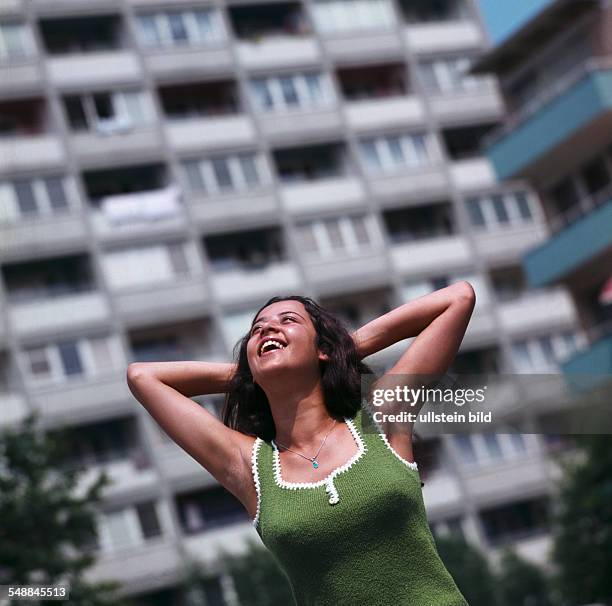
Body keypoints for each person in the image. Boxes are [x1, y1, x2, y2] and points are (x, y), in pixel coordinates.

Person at [127, 281, 476, 605]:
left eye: (287, 320)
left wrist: (342, 347)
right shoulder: (251, 467)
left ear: (321, 349)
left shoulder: (380, 417)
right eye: (257, 330)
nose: (266, 329)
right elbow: (143, 377)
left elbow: (457, 298)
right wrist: (249, 372)